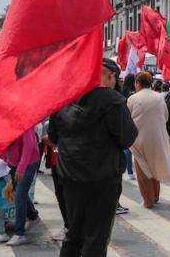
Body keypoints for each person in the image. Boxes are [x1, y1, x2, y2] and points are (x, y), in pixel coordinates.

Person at [48, 59, 138, 257]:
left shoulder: (63, 96)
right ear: (110, 76)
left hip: (70, 175)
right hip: (102, 177)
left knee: (73, 233)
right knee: (96, 236)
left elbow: (53, 136)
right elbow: (127, 137)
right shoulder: (112, 100)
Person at [128, 71, 170, 209]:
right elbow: (165, 117)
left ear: (137, 83)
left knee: (143, 171)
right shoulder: (159, 97)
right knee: (155, 168)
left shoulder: (132, 99)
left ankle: (148, 201)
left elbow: (128, 120)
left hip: (139, 138)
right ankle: (155, 197)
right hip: (158, 137)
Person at [1, 127, 41, 246]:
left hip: (29, 162)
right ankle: (33, 216)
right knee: (20, 193)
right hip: (13, 163)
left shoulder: (23, 123)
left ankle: (19, 233)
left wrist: (22, 167)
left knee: (19, 195)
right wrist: (5, 160)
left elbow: (29, 146)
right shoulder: (2, 122)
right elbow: (3, 143)